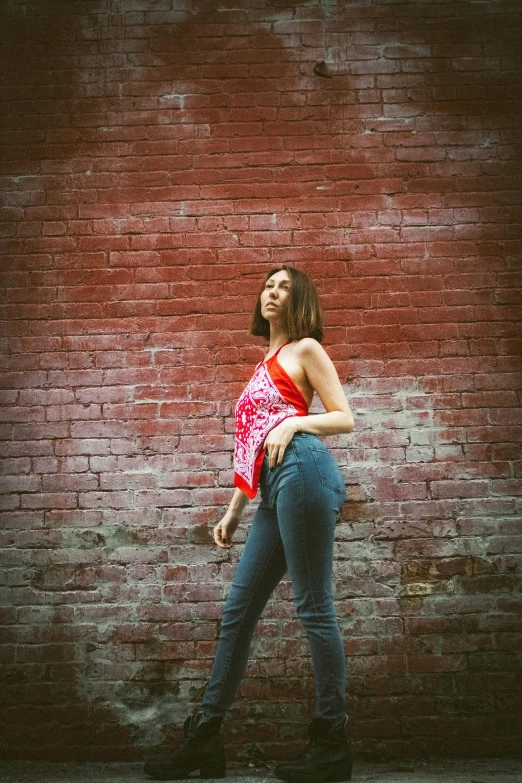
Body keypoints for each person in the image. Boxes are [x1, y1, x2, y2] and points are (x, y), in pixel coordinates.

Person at [144, 266, 355, 783]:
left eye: (283, 286)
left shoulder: (306, 349)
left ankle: (331, 743)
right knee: (237, 612)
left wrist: (293, 420)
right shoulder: (264, 361)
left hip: (305, 468)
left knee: (313, 605)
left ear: (299, 298)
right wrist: (233, 511)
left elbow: (343, 416)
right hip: (273, 487)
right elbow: (252, 447)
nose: (272, 292)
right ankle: (204, 740)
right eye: (267, 285)